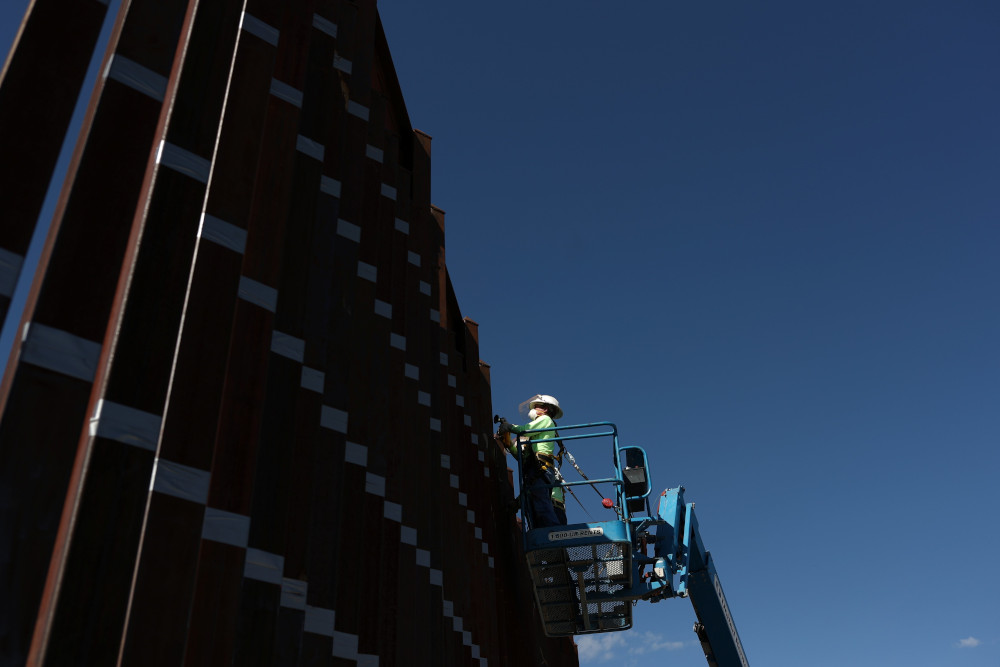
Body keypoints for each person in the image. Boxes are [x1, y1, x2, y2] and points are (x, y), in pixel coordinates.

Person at [498, 394, 564, 529]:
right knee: (534, 506)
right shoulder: (535, 436)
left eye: (536, 406)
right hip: (535, 469)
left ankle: (551, 534)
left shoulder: (545, 419)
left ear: (545, 409)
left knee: (541, 505)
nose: (533, 410)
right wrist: (509, 444)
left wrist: (509, 427)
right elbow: (522, 456)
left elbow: (525, 430)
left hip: (541, 468)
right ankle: (544, 534)